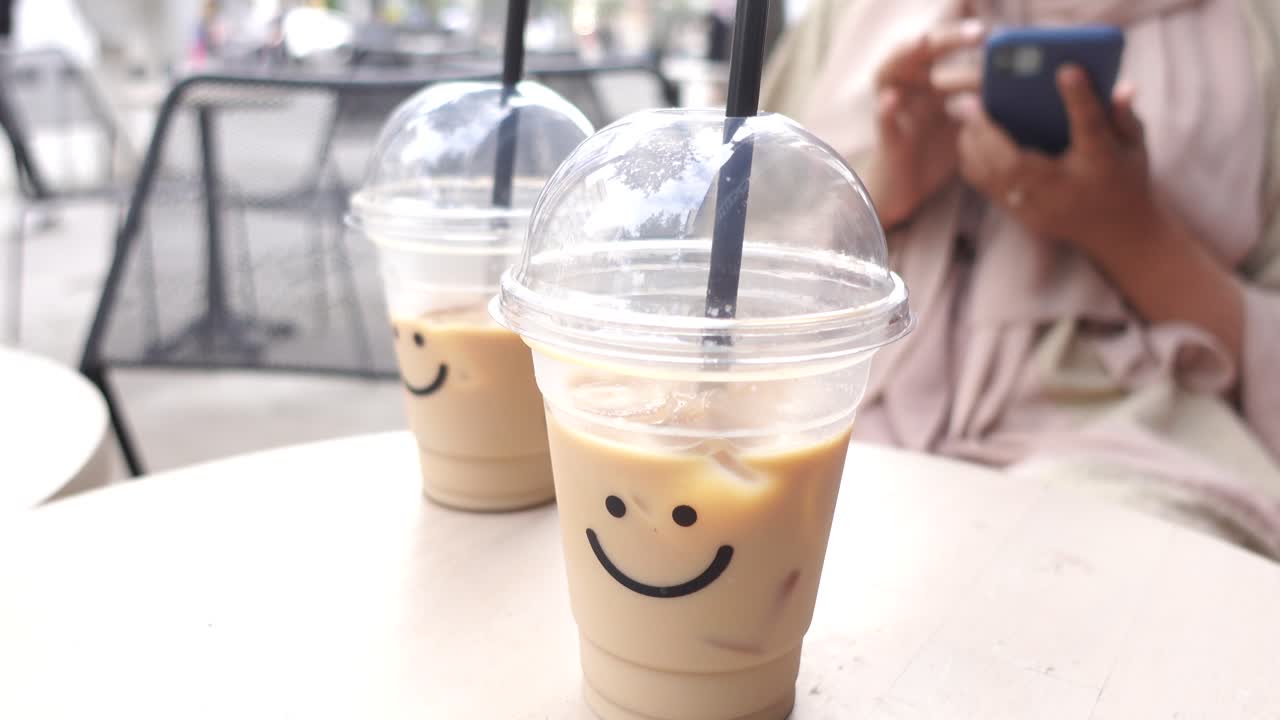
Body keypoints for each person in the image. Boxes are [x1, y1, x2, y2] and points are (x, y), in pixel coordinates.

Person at [762, 0, 1280, 556]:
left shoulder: (1255, 37)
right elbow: (730, 289)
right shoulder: (843, 19)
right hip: (834, 420)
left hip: (1142, 457)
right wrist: (881, 191)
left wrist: (1132, 235)